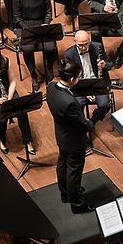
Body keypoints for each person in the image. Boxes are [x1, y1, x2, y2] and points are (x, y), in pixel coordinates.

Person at [48, 61, 94, 213]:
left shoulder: (51, 87)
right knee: (74, 172)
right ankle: (77, 204)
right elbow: (82, 123)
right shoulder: (69, 103)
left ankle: (65, 194)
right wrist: (90, 123)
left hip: (61, 135)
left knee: (62, 164)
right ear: (73, 79)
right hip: (74, 141)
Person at [12, 0, 57, 90]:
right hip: (25, 26)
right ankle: (33, 75)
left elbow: (48, 12)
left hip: (41, 24)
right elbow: (17, 17)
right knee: (27, 48)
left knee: (50, 47)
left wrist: (46, 24)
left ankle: (48, 68)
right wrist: (27, 29)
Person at [61, 29, 112, 125]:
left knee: (105, 105)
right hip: (79, 85)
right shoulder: (69, 54)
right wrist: (86, 93)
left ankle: (92, 122)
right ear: (75, 42)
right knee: (77, 106)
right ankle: (81, 125)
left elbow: (110, 64)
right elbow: (70, 76)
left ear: (89, 40)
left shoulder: (97, 47)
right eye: (80, 45)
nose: (84, 48)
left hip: (97, 83)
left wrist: (104, 65)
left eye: (86, 44)